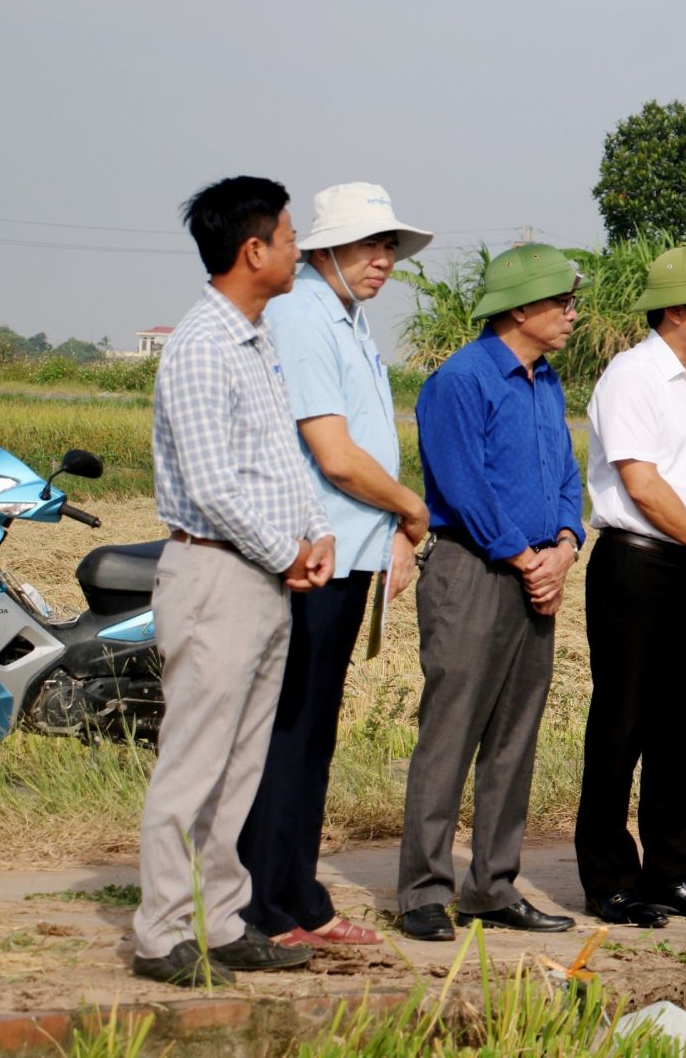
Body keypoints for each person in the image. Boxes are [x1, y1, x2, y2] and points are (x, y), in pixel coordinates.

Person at [134, 176, 333, 986]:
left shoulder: (256, 340)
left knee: (240, 763)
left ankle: (220, 920)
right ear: (253, 251)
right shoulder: (202, 345)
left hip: (261, 574)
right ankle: (160, 932)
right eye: (289, 238)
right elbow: (215, 486)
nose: (296, 251)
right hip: (217, 572)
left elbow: (281, 462)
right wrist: (287, 549)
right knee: (194, 763)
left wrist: (313, 530)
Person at [234, 183, 432, 950]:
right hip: (310, 556)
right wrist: (411, 510)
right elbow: (336, 456)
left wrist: (395, 530)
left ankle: (296, 891)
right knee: (289, 730)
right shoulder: (304, 314)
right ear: (324, 251)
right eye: (367, 246)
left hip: (347, 554)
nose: (383, 261)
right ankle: (267, 903)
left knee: (313, 731)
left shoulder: (347, 318)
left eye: (389, 248)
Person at [397, 244, 589, 941]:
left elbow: (567, 475)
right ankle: (422, 890)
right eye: (561, 302)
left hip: (538, 574)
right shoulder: (461, 379)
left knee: (515, 737)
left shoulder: (548, 382)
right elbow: (462, 485)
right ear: (519, 307)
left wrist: (565, 546)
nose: (573, 314)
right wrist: (524, 556)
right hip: (473, 571)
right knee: (452, 732)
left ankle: (493, 885)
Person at [576, 243, 686, 928]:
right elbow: (641, 482)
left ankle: (672, 874)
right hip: (637, 563)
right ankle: (609, 878)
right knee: (622, 722)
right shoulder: (632, 376)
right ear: (678, 309)